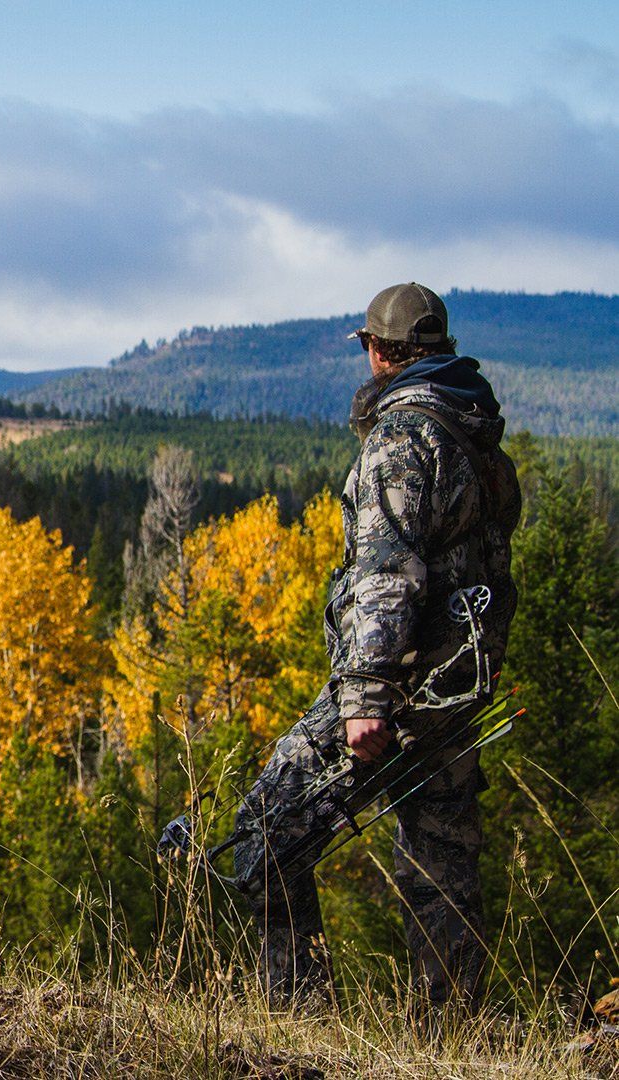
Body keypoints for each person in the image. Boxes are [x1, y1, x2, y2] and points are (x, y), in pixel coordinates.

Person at [231, 283, 521, 1008]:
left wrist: (365, 697)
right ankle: (455, 1034)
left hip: (402, 686)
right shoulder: (476, 434)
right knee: (441, 859)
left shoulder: (403, 440)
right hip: (460, 683)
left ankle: (298, 1015)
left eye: (367, 347)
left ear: (379, 351)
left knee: (268, 829)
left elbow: (388, 573)